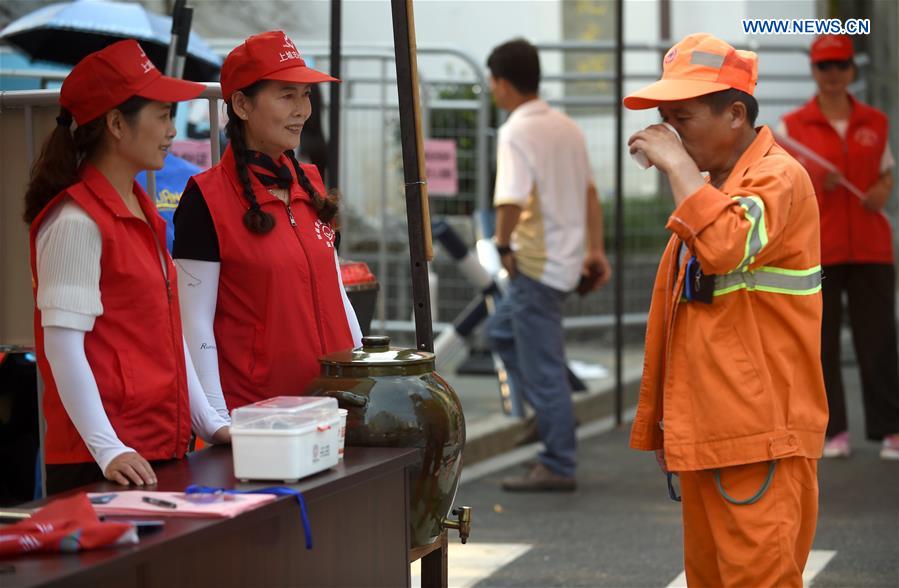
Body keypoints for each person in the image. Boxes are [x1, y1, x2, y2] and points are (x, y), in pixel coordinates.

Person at [624, 33, 828, 586]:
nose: (669, 132)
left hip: (759, 438)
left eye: (682, 117)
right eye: (665, 118)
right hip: (718, 435)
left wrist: (675, 166)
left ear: (735, 114)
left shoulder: (778, 177)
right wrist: (672, 430)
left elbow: (725, 244)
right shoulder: (720, 186)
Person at [23, 40, 230, 495]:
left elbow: (167, 334)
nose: (172, 131)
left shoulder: (143, 212)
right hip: (102, 465)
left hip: (154, 450)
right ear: (116, 123)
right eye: (161, 115)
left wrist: (209, 423)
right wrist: (108, 448)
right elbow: (62, 348)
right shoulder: (76, 220)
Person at [173, 31, 362, 418]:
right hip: (259, 420)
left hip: (337, 407)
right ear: (241, 104)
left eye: (305, 95)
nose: (302, 110)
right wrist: (215, 419)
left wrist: (364, 371)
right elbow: (194, 323)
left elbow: (337, 294)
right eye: (286, 95)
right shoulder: (205, 198)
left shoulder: (310, 182)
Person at [483, 38, 611, 492]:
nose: (492, 91)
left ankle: (557, 459)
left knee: (540, 364)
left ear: (502, 82)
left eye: (492, 82)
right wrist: (595, 250)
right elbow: (592, 194)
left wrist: (501, 246)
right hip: (567, 261)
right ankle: (556, 410)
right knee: (500, 333)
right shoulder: (566, 127)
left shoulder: (517, 129)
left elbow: (511, 199)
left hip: (534, 264)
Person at [778, 34, 899, 460]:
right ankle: (832, 431)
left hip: (871, 249)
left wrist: (883, 190)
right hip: (820, 249)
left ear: (852, 70)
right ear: (813, 70)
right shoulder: (791, 127)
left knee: (880, 340)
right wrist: (817, 179)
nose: (833, 75)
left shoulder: (874, 122)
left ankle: (890, 430)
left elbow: (886, 172)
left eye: (840, 66)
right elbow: (784, 187)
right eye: (824, 66)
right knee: (820, 344)